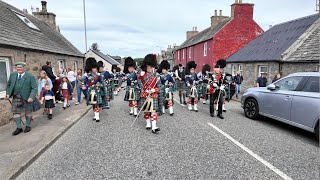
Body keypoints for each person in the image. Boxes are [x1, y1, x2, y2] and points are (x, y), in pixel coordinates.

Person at [5, 62, 41, 135]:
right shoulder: (12, 75)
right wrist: (8, 94)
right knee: (16, 112)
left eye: (20, 67)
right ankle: (19, 128)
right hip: (16, 97)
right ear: (16, 68)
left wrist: (31, 97)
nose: (19, 69)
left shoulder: (30, 76)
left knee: (27, 112)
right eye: (17, 67)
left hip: (27, 97)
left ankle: (28, 126)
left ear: (24, 68)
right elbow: (8, 85)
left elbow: (34, 88)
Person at [138, 54, 160, 133]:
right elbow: (140, 82)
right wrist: (145, 90)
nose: (149, 69)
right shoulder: (143, 76)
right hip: (145, 95)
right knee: (147, 111)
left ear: (153, 67)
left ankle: (154, 127)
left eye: (150, 67)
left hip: (153, 95)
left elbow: (159, 86)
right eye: (147, 67)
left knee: (153, 110)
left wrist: (154, 90)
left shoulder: (156, 76)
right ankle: (148, 123)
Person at [85, 58, 106, 122]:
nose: (95, 69)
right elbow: (86, 84)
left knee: (97, 104)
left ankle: (97, 116)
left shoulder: (99, 76)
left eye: (96, 68)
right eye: (94, 68)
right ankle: (95, 115)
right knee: (93, 104)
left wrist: (99, 85)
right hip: (91, 91)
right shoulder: (87, 76)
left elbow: (103, 84)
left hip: (98, 91)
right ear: (90, 68)